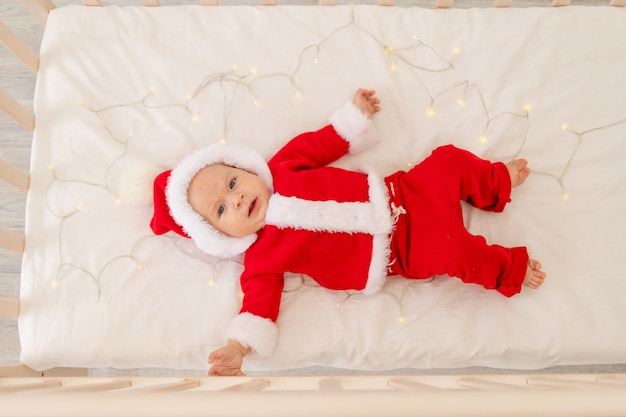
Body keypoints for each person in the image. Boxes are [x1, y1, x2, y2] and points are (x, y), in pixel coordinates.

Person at [150, 88, 546, 376]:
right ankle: (509, 267)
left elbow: (322, 144)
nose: (235, 200)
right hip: (401, 250)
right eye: (221, 209)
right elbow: (257, 306)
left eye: (232, 183)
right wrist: (238, 346)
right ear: (218, 235)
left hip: (402, 191)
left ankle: (495, 183)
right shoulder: (260, 259)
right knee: (457, 254)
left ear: (245, 168)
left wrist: (353, 118)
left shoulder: (283, 167)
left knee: (446, 160)